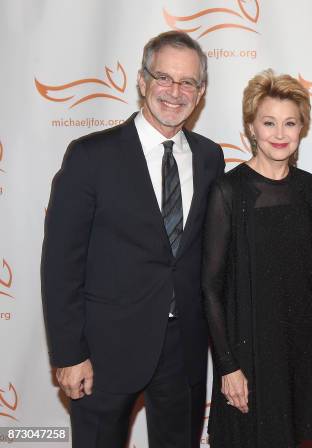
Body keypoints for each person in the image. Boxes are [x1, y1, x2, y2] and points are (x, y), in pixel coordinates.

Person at [41, 31, 225, 447]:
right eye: (164, 77)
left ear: (201, 92)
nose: (175, 92)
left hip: (185, 350)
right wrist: (69, 355)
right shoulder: (91, 155)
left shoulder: (210, 157)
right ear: (141, 81)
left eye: (188, 82)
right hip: (104, 350)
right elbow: (60, 263)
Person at [201, 69, 312, 448]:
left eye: (290, 123)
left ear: (302, 128)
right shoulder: (229, 191)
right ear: (251, 128)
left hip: (303, 351)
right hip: (252, 353)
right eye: (269, 123)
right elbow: (210, 288)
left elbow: (311, 269)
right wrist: (228, 367)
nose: (279, 134)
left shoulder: (307, 187)